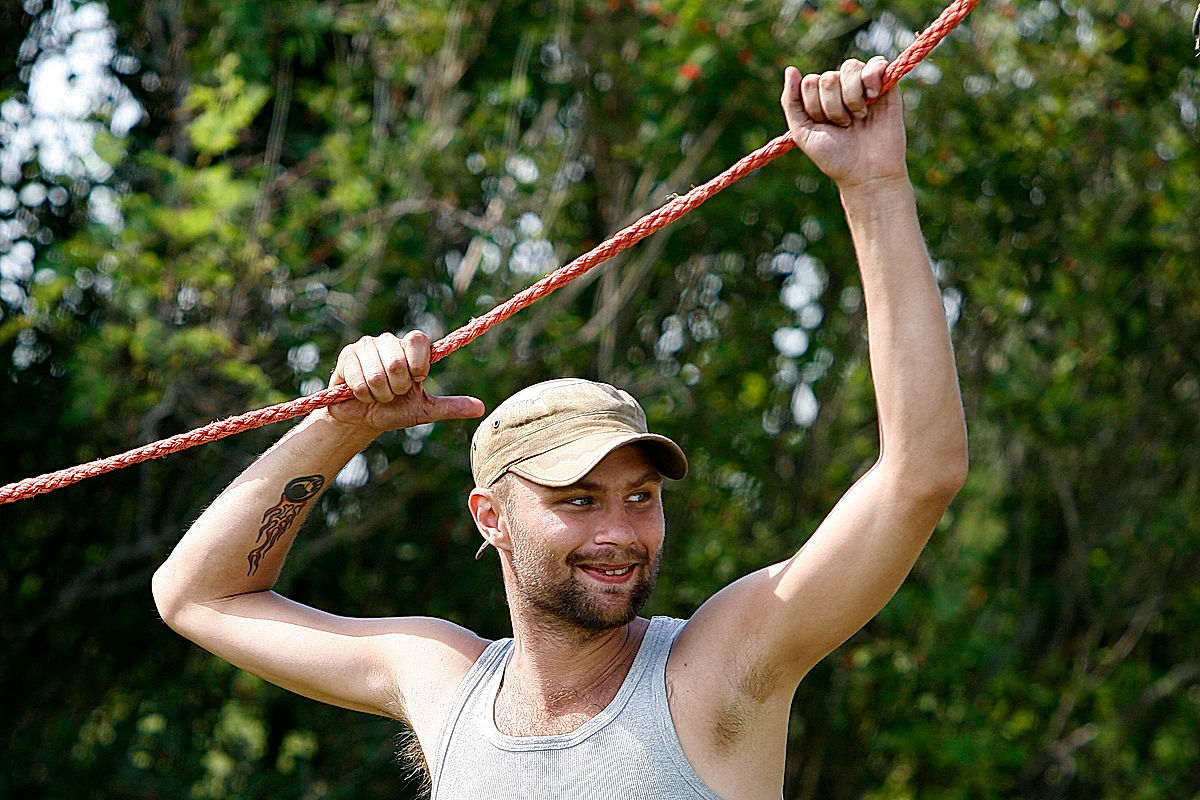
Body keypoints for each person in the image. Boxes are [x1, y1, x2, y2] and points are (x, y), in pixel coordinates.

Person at [153, 56, 968, 799]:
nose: (621, 531)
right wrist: (340, 428)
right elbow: (196, 596)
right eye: (578, 500)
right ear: (491, 518)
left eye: (641, 496)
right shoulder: (443, 682)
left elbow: (919, 474)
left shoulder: (719, 668)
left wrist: (875, 190)